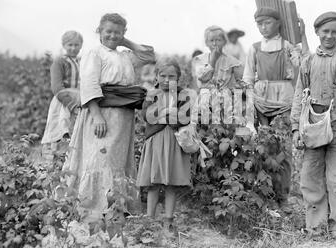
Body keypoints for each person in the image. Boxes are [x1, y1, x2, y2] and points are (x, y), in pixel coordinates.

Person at [63, 13, 155, 222]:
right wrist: (96, 116)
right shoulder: (94, 54)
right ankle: (93, 208)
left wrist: (125, 41)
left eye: (118, 32)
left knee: (117, 160)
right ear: (99, 31)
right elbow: (89, 84)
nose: (112, 36)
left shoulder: (124, 55)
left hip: (123, 116)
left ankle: (116, 207)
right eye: (108, 32)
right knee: (99, 156)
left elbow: (149, 56)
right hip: (102, 113)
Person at [290, 12, 336, 237]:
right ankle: (316, 227)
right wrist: (295, 128)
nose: (329, 36)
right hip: (312, 126)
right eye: (325, 32)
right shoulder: (308, 62)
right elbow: (298, 96)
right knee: (310, 177)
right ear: (317, 33)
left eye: (334, 32)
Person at [242, 7, 309, 213]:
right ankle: (265, 196)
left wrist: (302, 34)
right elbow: (247, 78)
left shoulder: (288, 46)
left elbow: (305, 62)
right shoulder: (254, 48)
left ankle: (283, 197)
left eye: (268, 23)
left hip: (284, 100)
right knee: (264, 148)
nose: (263, 27)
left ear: (278, 23)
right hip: (261, 101)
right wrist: (249, 106)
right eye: (259, 24)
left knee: (283, 150)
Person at [136, 59, 192, 232]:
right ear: (157, 76)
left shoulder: (183, 95)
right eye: (163, 76)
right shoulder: (152, 94)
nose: (167, 80)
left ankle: (168, 220)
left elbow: (185, 117)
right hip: (155, 140)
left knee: (170, 183)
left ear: (179, 78)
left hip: (174, 141)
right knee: (153, 183)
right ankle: (149, 220)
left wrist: (165, 114)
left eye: (172, 76)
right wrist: (169, 113)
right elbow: (147, 116)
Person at [41, 31, 83, 156]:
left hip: (78, 99)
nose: (73, 48)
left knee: (75, 131)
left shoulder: (81, 62)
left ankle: (71, 161)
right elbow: (57, 87)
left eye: (77, 45)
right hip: (64, 101)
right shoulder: (59, 62)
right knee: (59, 130)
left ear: (81, 46)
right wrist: (70, 104)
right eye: (70, 45)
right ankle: (55, 160)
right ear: (64, 45)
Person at [193, 25, 244, 91]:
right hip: (206, 99)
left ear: (224, 42)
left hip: (225, 99)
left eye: (218, 40)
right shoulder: (200, 59)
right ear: (206, 43)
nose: (214, 43)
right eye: (211, 40)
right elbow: (201, 81)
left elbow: (241, 80)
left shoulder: (233, 61)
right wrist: (213, 61)